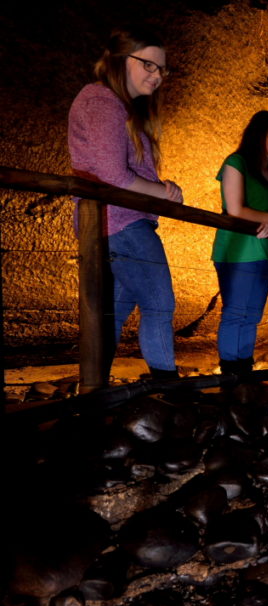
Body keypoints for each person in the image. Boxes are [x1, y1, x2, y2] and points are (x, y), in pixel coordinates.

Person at [68, 25, 183, 380]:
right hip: (122, 221)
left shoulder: (119, 106)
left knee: (114, 312)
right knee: (160, 305)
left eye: (162, 69)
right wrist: (161, 191)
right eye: (149, 65)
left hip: (117, 221)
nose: (157, 75)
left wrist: (158, 189)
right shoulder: (102, 101)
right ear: (121, 60)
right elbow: (112, 173)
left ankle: (95, 389)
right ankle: (167, 387)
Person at [211, 111, 268, 376]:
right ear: (260, 134)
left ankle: (244, 368)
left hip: (263, 252)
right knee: (235, 311)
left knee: (253, 314)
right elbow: (234, 208)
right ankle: (230, 372)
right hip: (236, 250)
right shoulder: (237, 163)